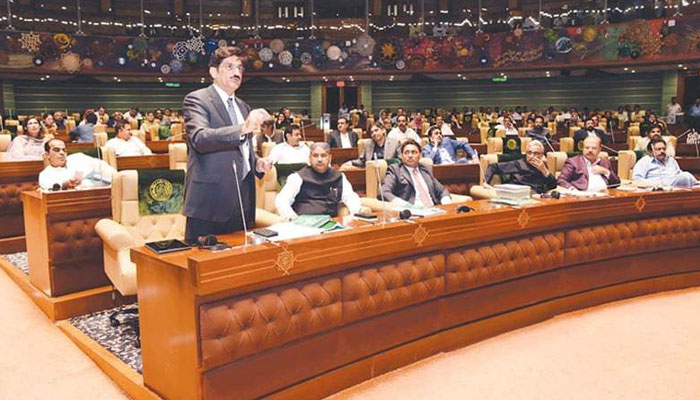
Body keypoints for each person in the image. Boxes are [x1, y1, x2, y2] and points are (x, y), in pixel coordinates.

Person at [182, 46, 272, 241]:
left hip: (243, 199)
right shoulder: (197, 99)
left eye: (240, 68)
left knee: (240, 256)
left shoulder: (243, 106)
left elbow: (243, 148)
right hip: (210, 201)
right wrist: (242, 128)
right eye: (229, 67)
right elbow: (200, 138)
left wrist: (256, 163)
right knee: (202, 258)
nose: (236, 72)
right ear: (213, 72)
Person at [275, 142, 361, 220]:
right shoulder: (297, 177)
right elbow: (282, 200)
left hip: (331, 223)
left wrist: (355, 212)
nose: (319, 159)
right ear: (310, 158)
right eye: (315, 156)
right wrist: (292, 218)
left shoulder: (339, 177)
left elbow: (350, 197)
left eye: (323, 155)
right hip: (304, 224)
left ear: (330, 158)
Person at [381, 139, 451, 207]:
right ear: (402, 156)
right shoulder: (395, 170)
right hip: (412, 210)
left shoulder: (425, 169)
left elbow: (442, 190)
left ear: (420, 155)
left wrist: (446, 202)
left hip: (433, 209)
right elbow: (384, 191)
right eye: (406, 152)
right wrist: (404, 205)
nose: (410, 156)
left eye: (414, 152)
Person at [484, 140, 557, 194]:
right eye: (529, 153)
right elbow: (493, 166)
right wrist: (485, 183)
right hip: (519, 193)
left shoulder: (543, 165)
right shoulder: (519, 164)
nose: (532, 156)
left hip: (537, 195)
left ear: (542, 155)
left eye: (536, 153)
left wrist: (544, 170)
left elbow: (553, 185)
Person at [38, 139, 115, 190]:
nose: (62, 153)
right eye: (56, 150)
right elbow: (52, 189)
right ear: (47, 155)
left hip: (106, 190)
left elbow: (103, 166)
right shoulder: (45, 175)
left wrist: (116, 180)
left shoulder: (78, 157)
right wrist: (65, 184)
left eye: (64, 150)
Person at [633, 136, 698, 188]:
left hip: (676, 186)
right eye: (658, 149)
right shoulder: (644, 161)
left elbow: (679, 173)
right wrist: (655, 184)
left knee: (686, 175)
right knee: (685, 176)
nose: (662, 151)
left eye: (664, 149)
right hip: (658, 188)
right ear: (650, 152)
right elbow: (637, 179)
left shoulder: (671, 160)